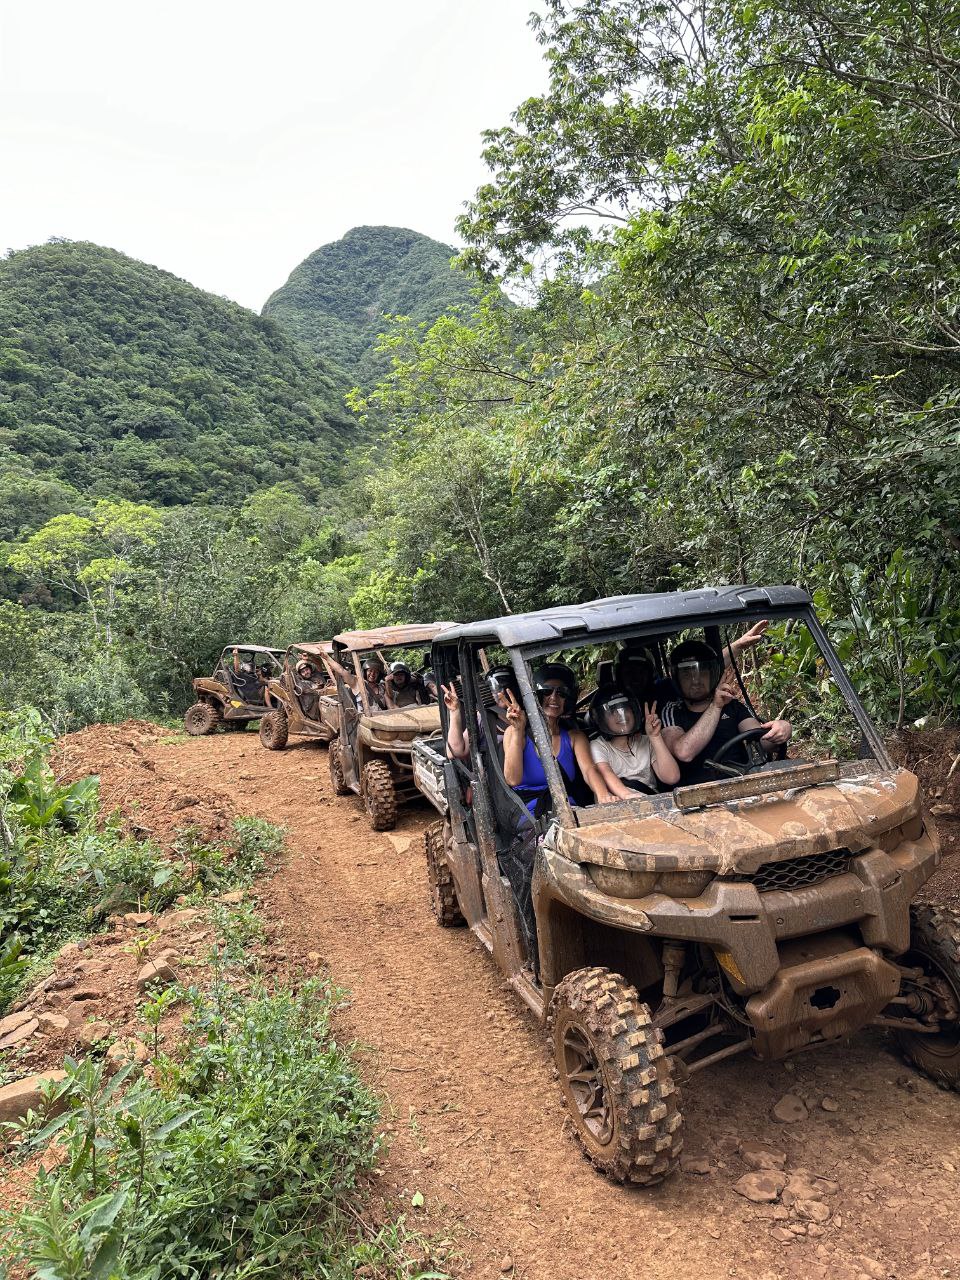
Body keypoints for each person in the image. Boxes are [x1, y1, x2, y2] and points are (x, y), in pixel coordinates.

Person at [660, 640, 792, 786]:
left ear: (712, 673)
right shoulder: (672, 711)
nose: (695, 680)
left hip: (741, 786)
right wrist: (716, 707)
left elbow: (761, 740)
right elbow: (684, 752)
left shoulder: (733, 706)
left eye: (702, 671)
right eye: (686, 673)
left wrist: (782, 729)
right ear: (676, 678)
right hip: (694, 797)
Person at [502, 663, 613, 813]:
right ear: (537, 696)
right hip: (529, 815)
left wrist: (603, 795)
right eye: (547, 691)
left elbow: (589, 770)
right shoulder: (514, 732)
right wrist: (518, 730)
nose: (554, 697)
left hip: (568, 810)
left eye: (561, 693)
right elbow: (512, 779)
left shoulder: (575, 737)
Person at [588, 686, 680, 796]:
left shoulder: (646, 741)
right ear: (601, 719)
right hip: (618, 806)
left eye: (626, 709)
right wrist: (629, 796)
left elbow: (672, 777)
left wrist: (655, 737)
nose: (621, 715)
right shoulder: (598, 746)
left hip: (651, 802)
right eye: (613, 711)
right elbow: (605, 773)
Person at [444, 665, 518, 761]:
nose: (500, 693)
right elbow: (455, 752)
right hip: (494, 774)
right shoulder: (483, 717)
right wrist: (454, 711)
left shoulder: (530, 715)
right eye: (495, 689)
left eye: (506, 688)